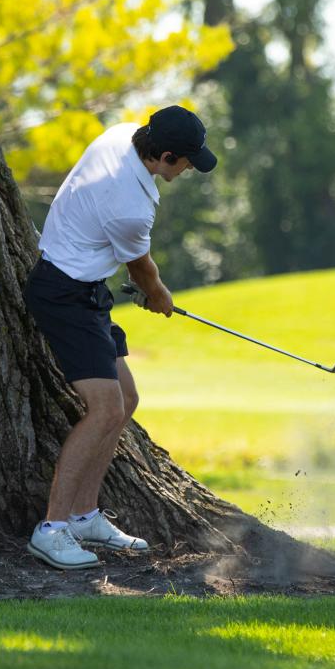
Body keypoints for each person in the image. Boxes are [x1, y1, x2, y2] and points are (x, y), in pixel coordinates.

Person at [23, 105, 217, 569]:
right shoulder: (132, 205)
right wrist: (160, 295)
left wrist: (148, 289)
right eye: (186, 160)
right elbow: (142, 269)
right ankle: (51, 528)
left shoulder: (123, 135)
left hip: (84, 287)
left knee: (125, 399)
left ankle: (85, 514)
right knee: (105, 408)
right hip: (63, 294)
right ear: (166, 155)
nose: (189, 167)